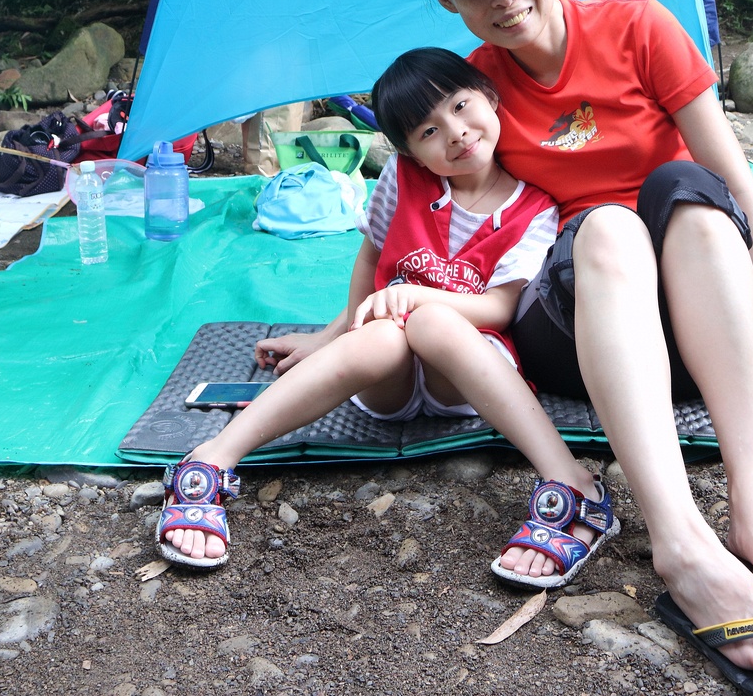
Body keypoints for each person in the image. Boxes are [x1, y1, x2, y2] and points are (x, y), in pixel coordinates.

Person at [417, 0, 753, 692]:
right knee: (608, 225)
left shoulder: (638, 28)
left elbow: (738, 183)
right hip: (577, 327)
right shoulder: (473, 93)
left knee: (688, 191)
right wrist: (346, 325)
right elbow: (412, 215)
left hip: (695, 335)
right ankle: (683, 547)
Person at [158, 47, 619, 589]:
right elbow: (372, 258)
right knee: (379, 337)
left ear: (490, 98)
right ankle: (213, 458)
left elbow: (499, 308)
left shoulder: (534, 208)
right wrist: (328, 338)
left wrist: (420, 298)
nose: (456, 133)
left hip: (466, 371)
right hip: (388, 380)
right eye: (428, 131)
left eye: (461, 106)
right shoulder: (403, 179)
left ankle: (569, 479)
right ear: (409, 152)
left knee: (431, 323)